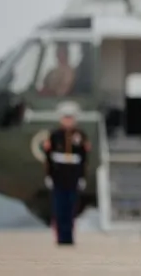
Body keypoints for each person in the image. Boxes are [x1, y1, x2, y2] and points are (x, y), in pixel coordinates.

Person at [42, 102, 91, 245]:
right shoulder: (54, 135)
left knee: (71, 208)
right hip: (58, 176)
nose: (68, 121)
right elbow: (48, 157)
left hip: (73, 176)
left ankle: (69, 237)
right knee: (59, 208)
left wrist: (82, 177)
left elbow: (83, 158)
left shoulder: (80, 136)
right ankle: (61, 237)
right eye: (66, 118)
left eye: (71, 118)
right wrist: (49, 175)